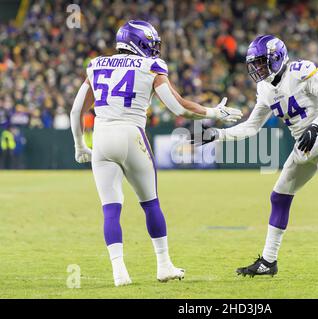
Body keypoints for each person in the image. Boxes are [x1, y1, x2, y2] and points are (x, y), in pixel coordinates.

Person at [197, 35, 318, 281]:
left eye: (261, 63)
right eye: (254, 64)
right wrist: (216, 134)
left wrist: (316, 126)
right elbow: (251, 127)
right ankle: (268, 261)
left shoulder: (300, 71)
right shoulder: (264, 88)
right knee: (279, 197)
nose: (257, 69)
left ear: (277, 58)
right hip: (302, 146)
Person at [70, 20, 242, 286]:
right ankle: (163, 265)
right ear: (137, 43)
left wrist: (80, 145)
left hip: (102, 137)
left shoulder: (96, 65)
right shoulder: (150, 66)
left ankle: (119, 272)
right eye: (150, 43)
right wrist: (214, 113)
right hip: (131, 134)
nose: (153, 49)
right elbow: (180, 108)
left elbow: (76, 110)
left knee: (111, 210)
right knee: (150, 203)